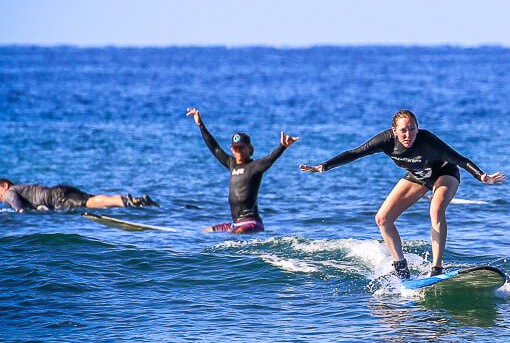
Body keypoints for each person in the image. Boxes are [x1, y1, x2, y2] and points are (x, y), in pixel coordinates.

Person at [299, 110, 505, 279]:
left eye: (413, 129)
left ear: (418, 128)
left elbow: (459, 159)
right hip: (418, 176)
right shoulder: (385, 141)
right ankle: (401, 267)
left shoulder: (428, 141)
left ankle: (437, 268)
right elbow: (355, 153)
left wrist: (481, 177)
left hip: (445, 173)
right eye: (404, 131)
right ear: (394, 131)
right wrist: (323, 167)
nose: (409, 135)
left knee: (436, 209)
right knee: (382, 218)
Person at [186, 107, 298, 233]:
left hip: (251, 223)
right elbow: (215, 148)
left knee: (235, 234)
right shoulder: (231, 164)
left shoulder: (255, 167)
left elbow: (269, 159)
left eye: (241, 147)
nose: (237, 151)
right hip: (235, 224)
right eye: (235, 148)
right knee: (205, 232)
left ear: (250, 149)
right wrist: (200, 125)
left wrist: (282, 147)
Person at [0, 179, 157, 212]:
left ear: (5, 186)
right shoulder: (23, 188)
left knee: (89, 202)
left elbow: (19, 209)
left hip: (57, 198)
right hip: (59, 190)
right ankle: (135, 201)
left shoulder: (10, 193)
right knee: (93, 200)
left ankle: (129, 202)